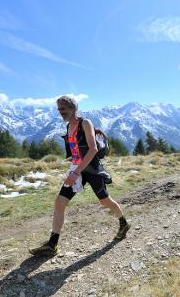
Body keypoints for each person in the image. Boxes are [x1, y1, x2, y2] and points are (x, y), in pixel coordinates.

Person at [29, 95, 130, 256]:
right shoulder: (69, 126)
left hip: (92, 170)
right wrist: (75, 170)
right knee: (59, 202)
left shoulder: (85, 123)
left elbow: (93, 149)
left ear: (73, 108)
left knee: (105, 201)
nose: (60, 112)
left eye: (63, 109)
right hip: (77, 169)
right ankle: (52, 244)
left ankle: (123, 223)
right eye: (59, 109)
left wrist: (76, 173)